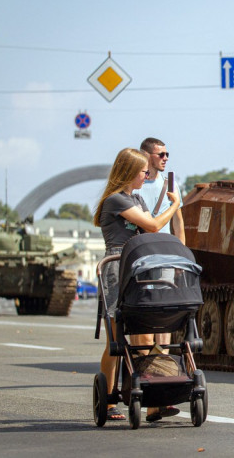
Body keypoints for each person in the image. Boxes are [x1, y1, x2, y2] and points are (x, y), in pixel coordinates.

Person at [93, 148, 180, 422]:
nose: (147, 176)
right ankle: (108, 400)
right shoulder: (116, 200)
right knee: (117, 339)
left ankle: (152, 400)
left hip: (139, 265)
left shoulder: (137, 198)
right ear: (130, 172)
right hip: (118, 267)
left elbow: (148, 230)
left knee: (144, 334)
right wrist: (175, 205)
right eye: (144, 171)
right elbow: (153, 226)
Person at [134, 137, 185, 244]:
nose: (166, 158)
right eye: (161, 155)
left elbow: (178, 223)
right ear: (146, 155)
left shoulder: (170, 184)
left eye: (167, 154)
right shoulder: (134, 185)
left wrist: (182, 251)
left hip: (164, 247)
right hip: (140, 246)